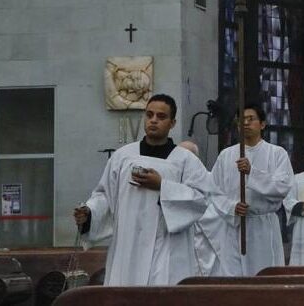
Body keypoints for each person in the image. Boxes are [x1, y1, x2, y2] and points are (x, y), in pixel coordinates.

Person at [73, 94, 211, 286]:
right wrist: (89, 214)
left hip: (168, 247)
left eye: (161, 117)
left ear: (172, 123)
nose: (154, 120)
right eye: (149, 115)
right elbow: (105, 195)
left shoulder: (186, 161)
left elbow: (201, 199)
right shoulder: (123, 157)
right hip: (128, 245)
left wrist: (163, 186)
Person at [210, 104, 294, 276]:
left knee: (263, 278)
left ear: (262, 124)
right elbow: (213, 190)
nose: (246, 123)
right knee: (233, 278)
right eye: (241, 120)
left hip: (263, 227)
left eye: (251, 119)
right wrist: (231, 207)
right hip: (234, 226)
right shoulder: (226, 155)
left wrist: (252, 173)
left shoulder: (277, 154)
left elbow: (282, 186)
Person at [177, 140, 225, 277]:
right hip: (182, 246)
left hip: (209, 244)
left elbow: (221, 209)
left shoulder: (212, 180)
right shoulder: (170, 179)